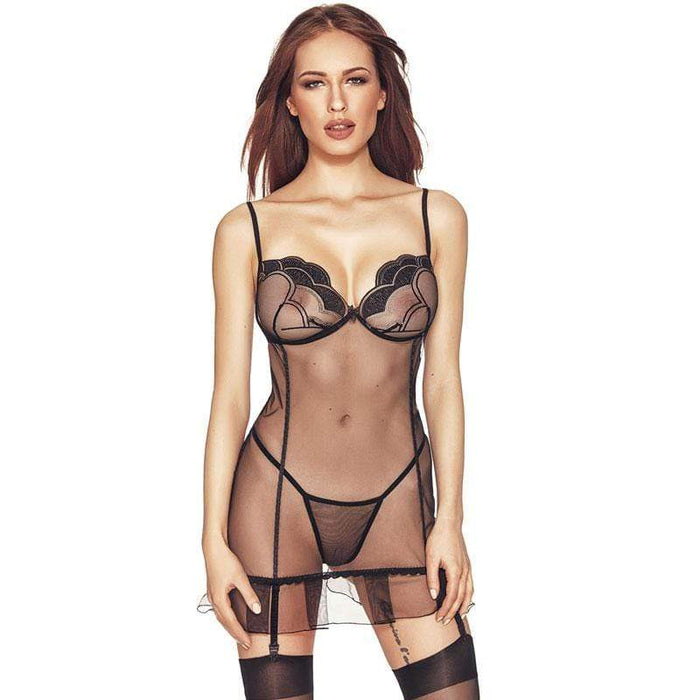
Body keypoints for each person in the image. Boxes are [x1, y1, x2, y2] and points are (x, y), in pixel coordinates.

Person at [198, 4, 479, 698]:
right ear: (290, 102)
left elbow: (443, 381)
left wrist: (450, 518)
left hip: (399, 494)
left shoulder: (436, 216)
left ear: (383, 92)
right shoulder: (247, 229)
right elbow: (229, 396)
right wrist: (211, 539)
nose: (336, 103)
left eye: (354, 80)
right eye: (314, 83)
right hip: (275, 496)